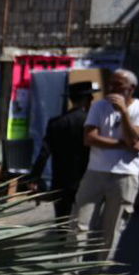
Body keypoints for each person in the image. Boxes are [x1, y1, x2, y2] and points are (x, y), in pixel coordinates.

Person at [70, 69, 139, 262]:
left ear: (131, 88)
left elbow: (134, 136)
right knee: (79, 222)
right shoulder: (99, 106)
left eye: (118, 85)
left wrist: (124, 112)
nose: (112, 89)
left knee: (113, 227)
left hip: (125, 175)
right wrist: (126, 145)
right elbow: (90, 138)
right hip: (96, 171)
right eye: (111, 85)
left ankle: (101, 272)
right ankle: (70, 269)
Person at [26, 80, 97, 218]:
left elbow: (44, 152)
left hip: (60, 179)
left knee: (62, 220)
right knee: (82, 220)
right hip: (86, 178)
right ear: (88, 100)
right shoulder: (91, 124)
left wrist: (34, 178)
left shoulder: (56, 122)